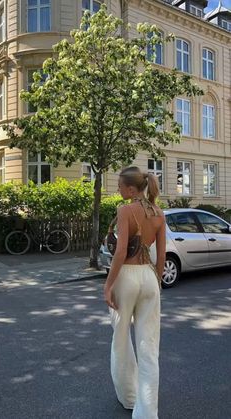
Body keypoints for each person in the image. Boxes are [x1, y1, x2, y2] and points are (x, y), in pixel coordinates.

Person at [104, 166, 166, 419]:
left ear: (131, 189)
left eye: (119, 186)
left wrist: (108, 285)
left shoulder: (125, 210)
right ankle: (147, 413)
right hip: (150, 277)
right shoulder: (159, 213)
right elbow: (161, 255)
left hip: (127, 277)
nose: (118, 190)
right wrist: (157, 281)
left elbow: (120, 253)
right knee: (149, 346)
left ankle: (129, 397)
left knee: (120, 340)